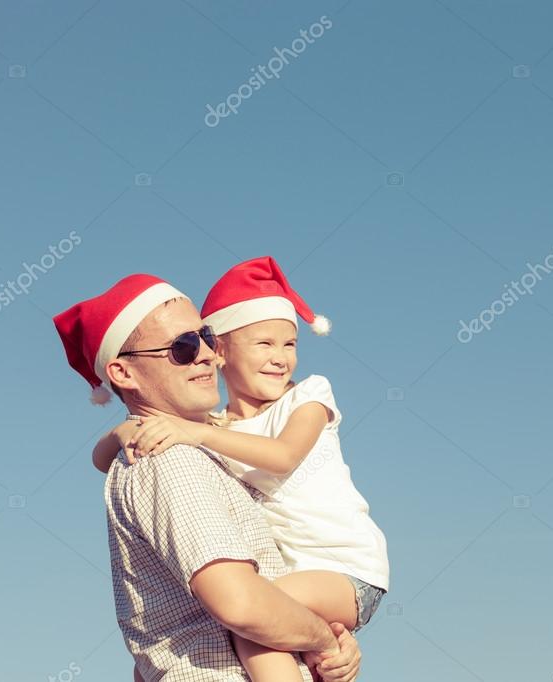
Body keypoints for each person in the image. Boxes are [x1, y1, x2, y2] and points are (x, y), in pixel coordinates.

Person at [92, 258, 389, 682]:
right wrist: (127, 431)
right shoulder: (175, 452)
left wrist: (319, 638)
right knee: (255, 623)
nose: (281, 358)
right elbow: (244, 607)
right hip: (306, 578)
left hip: (345, 565)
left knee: (262, 622)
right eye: (183, 347)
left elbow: (283, 455)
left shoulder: (301, 399)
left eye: (290, 344)